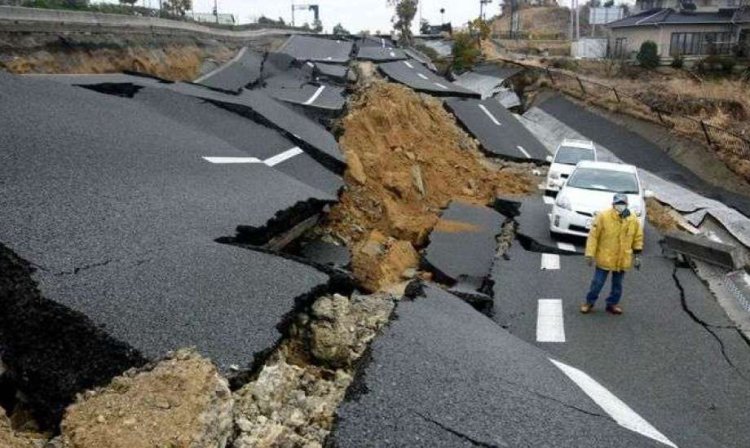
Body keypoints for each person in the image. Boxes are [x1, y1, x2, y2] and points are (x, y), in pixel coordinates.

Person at [580, 193, 644, 315]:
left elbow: (638, 237)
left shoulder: (633, 219)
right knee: (597, 282)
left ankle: (612, 304)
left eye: (623, 204)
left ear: (627, 205)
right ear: (613, 204)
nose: (620, 206)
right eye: (618, 204)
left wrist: (637, 255)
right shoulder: (603, 216)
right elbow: (593, 236)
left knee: (617, 285)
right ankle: (589, 302)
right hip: (605, 256)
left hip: (622, 258)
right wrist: (590, 254)